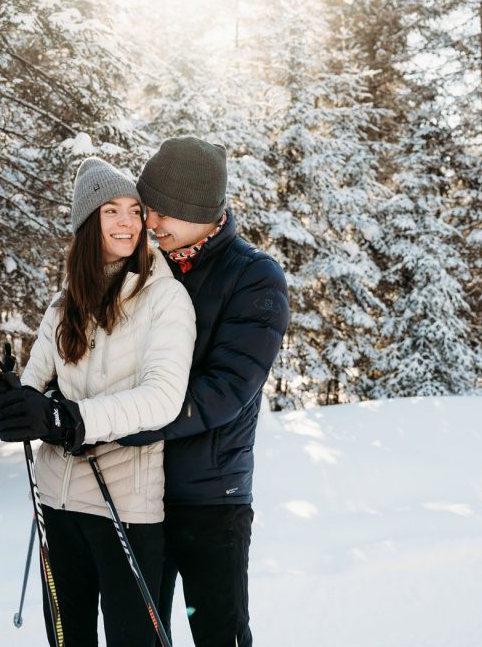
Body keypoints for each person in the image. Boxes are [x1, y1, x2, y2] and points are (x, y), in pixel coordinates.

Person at [0, 156, 196, 647]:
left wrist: (67, 418)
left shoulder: (164, 298)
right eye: (111, 211)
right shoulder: (64, 302)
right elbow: (34, 387)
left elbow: (163, 399)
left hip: (128, 509)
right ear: (88, 223)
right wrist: (1, 398)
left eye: (135, 211)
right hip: (58, 501)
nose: (128, 222)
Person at [121, 136, 290, 647]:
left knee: (219, 635)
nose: (149, 222)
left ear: (197, 211)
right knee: (139, 636)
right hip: (139, 494)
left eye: (160, 211)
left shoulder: (254, 276)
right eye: (146, 208)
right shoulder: (143, 268)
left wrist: (128, 421)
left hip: (211, 501)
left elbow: (227, 389)